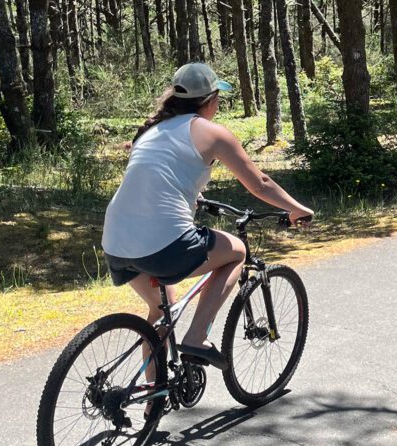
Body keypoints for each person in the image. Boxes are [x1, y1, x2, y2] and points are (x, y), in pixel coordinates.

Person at [101, 63, 313, 370]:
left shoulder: (151, 131)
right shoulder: (212, 133)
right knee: (236, 252)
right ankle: (197, 337)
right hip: (162, 243)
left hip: (116, 242)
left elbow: (155, 176)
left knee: (163, 311)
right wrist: (295, 208)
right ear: (211, 100)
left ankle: (153, 400)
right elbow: (260, 183)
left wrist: (192, 195)